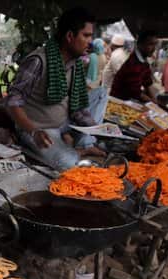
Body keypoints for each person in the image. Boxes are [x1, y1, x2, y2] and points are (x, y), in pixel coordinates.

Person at [6, 7, 103, 170]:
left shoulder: (75, 63)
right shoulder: (38, 61)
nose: (90, 41)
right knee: (69, 165)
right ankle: (75, 149)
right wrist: (33, 132)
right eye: (86, 35)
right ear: (70, 36)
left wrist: (100, 130)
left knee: (101, 94)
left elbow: (78, 109)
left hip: (64, 123)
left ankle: (76, 143)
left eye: (91, 36)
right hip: (39, 129)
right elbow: (13, 102)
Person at [110, 30, 159, 102]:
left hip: (129, 100)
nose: (154, 48)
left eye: (155, 44)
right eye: (150, 44)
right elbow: (136, 92)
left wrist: (155, 100)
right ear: (140, 45)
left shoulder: (144, 62)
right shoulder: (133, 63)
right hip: (118, 101)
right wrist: (153, 103)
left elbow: (147, 82)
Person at [86, 38, 108, 124]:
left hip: (90, 84)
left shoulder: (92, 56)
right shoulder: (103, 56)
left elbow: (90, 74)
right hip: (98, 82)